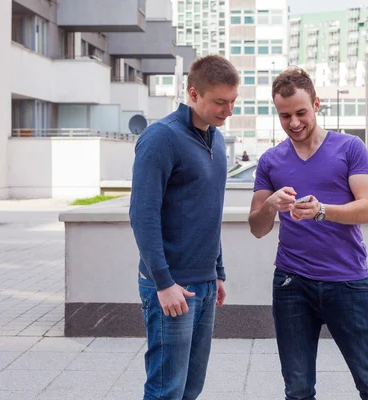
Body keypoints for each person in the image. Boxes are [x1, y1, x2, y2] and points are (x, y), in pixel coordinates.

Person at [248, 67, 368, 400]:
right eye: (285, 116)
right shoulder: (270, 161)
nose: (294, 123)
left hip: (347, 281)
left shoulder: (349, 148)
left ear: (316, 103)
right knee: (297, 389)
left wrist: (321, 210)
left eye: (301, 113)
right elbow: (257, 228)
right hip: (291, 284)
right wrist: (270, 203)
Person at [129, 55, 239, 400]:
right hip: (171, 285)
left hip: (204, 283)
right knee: (166, 389)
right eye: (220, 102)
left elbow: (210, 211)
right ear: (193, 94)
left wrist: (217, 271)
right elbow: (142, 214)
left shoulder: (217, 141)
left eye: (233, 102)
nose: (228, 111)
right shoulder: (161, 138)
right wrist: (163, 283)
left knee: (191, 387)